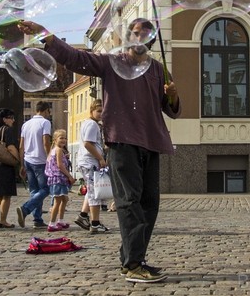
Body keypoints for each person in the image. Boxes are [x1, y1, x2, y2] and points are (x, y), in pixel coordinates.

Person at [18, 18, 180, 284]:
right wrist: (45, 34)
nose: (140, 38)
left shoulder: (159, 70)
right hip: (123, 141)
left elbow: (172, 108)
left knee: (150, 204)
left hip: (152, 141)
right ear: (129, 37)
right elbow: (75, 58)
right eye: (135, 33)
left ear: (151, 41)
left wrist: (172, 95)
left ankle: (132, 257)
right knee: (129, 203)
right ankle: (133, 263)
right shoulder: (112, 62)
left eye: (145, 35)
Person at [74, 99, 109, 233]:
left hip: (88, 161)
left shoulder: (92, 124)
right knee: (95, 193)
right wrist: (100, 158)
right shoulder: (92, 125)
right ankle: (95, 223)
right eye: (99, 111)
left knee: (91, 190)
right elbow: (88, 143)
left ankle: (83, 216)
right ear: (92, 111)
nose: (101, 114)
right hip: (90, 162)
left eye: (103, 111)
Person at [16, 101, 52, 229]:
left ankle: (38, 218)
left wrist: (21, 164)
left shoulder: (26, 124)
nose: (49, 114)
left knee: (34, 190)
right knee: (46, 189)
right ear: (45, 110)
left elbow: (21, 146)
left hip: (28, 160)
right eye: (48, 111)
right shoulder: (45, 123)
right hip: (40, 160)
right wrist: (50, 159)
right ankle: (26, 209)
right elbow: (46, 142)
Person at [46, 130, 75, 232]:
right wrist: (69, 176)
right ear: (55, 140)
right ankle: (52, 223)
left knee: (64, 199)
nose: (64, 140)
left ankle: (60, 220)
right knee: (57, 201)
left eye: (65, 138)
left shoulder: (57, 150)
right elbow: (59, 165)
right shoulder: (58, 150)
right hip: (58, 178)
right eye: (61, 138)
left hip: (59, 178)